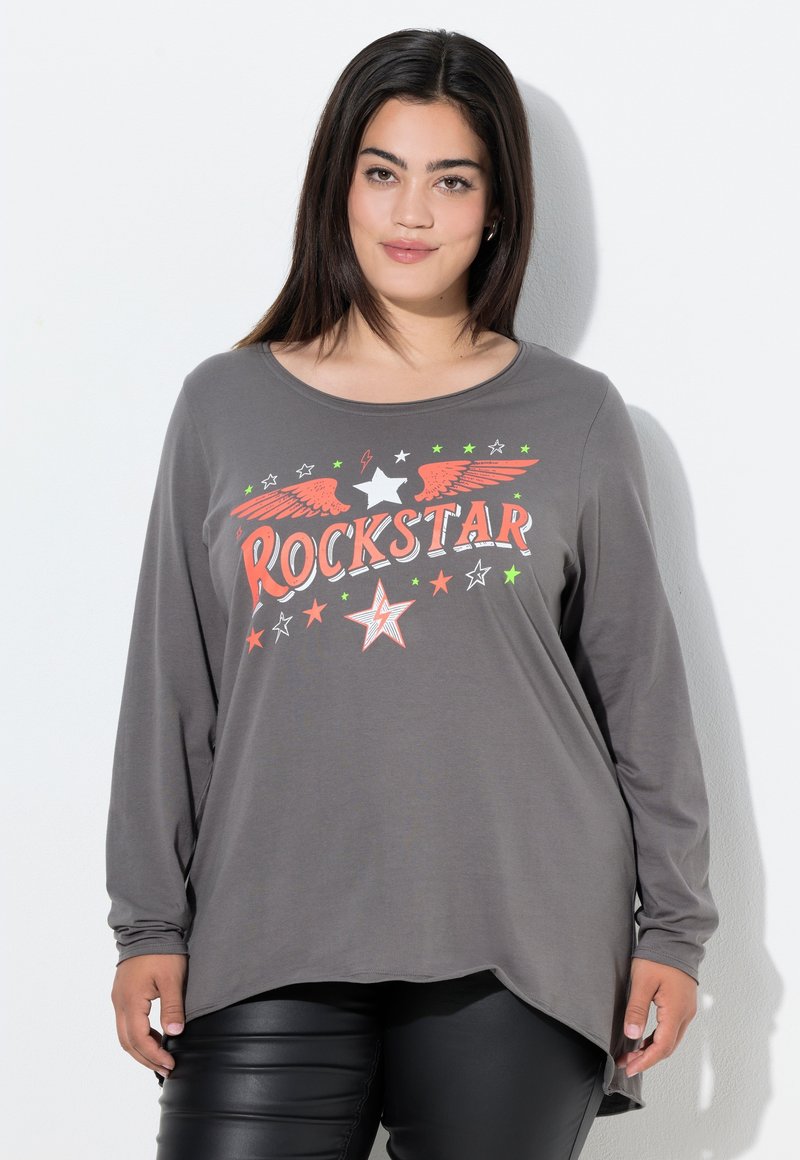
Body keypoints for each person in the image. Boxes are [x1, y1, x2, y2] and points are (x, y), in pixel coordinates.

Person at [105, 26, 719, 1160]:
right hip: (266, 929)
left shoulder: (573, 415)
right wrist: (147, 921)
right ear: (337, 186)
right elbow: (170, 684)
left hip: (519, 936)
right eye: (382, 171)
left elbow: (641, 694)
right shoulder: (225, 406)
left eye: (452, 179)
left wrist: (672, 931)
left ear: (497, 205)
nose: (412, 212)